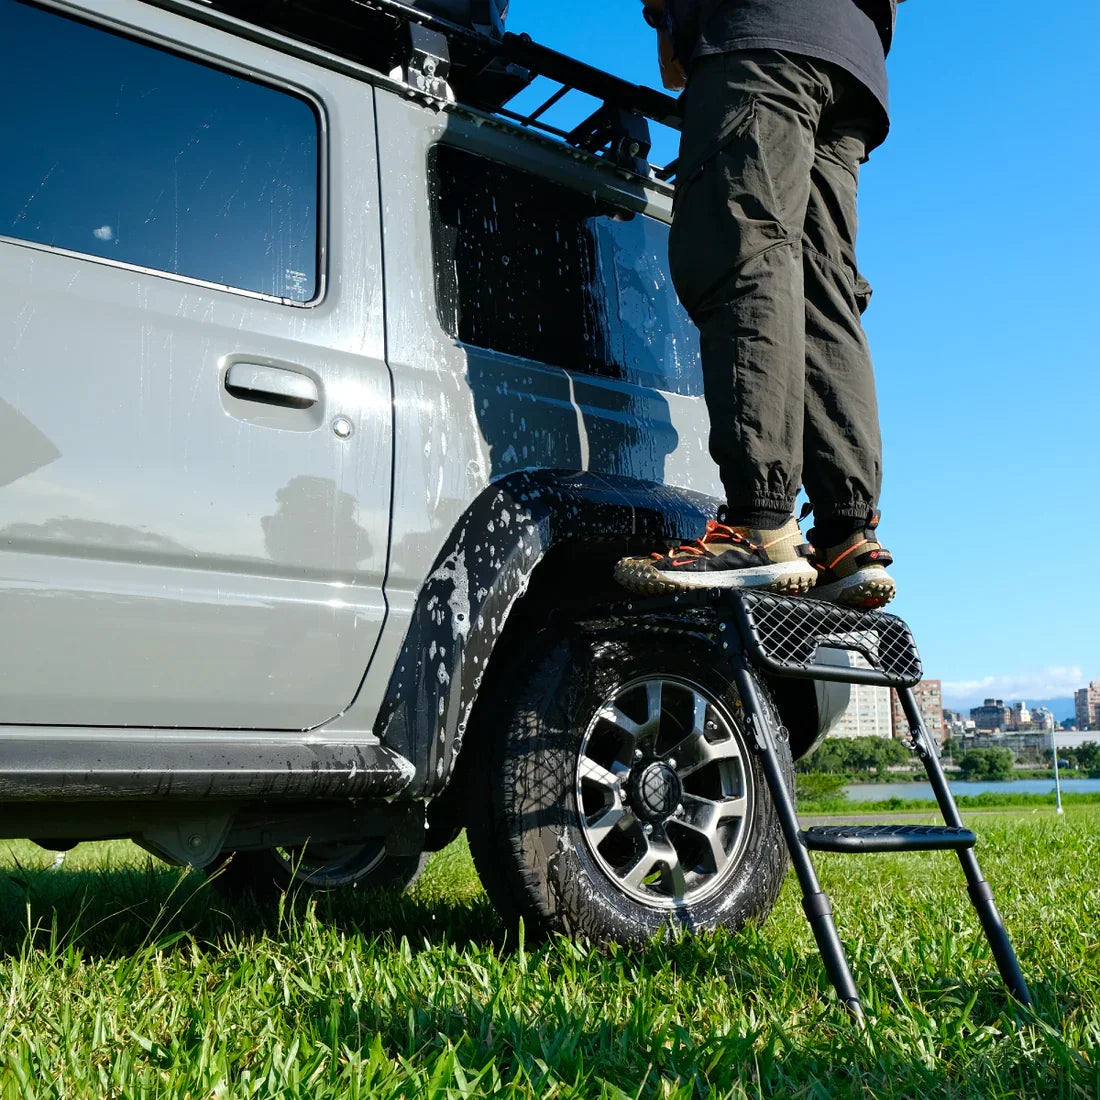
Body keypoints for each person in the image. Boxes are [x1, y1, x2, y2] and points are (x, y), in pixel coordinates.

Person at [616, 0, 901, 609]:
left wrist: (669, 20)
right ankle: (848, 536)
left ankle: (759, 526)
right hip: (852, 55)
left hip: (761, 30)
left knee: (746, 255)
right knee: (822, 288)